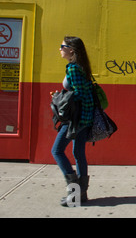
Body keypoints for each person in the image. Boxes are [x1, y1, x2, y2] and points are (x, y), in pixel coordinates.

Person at [51, 36, 94, 206]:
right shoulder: (83, 67)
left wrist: (60, 99)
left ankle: (74, 192)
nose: (60, 49)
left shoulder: (74, 69)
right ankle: (80, 195)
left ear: (72, 50)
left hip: (75, 120)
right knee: (78, 154)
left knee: (57, 151)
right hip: (85, 117)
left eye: (63, 46)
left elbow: (80, 94)